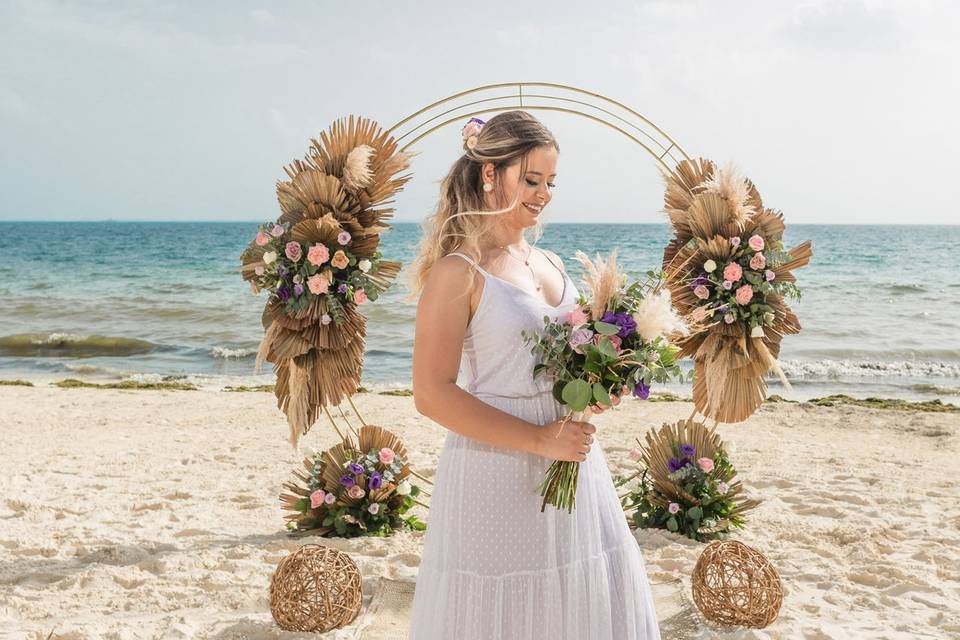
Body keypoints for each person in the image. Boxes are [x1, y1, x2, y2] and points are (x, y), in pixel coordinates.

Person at [405, 110, 660, 639]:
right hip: (495, 469)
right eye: (531, 179)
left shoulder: (551, 262)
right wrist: (540, 440)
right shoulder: (459, 270)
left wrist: (597, 387)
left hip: (571, 458)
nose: (542, 194)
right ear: (489, 175)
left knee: (582, 596)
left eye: (550, 182)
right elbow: (431, 393)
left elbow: (565, 362)